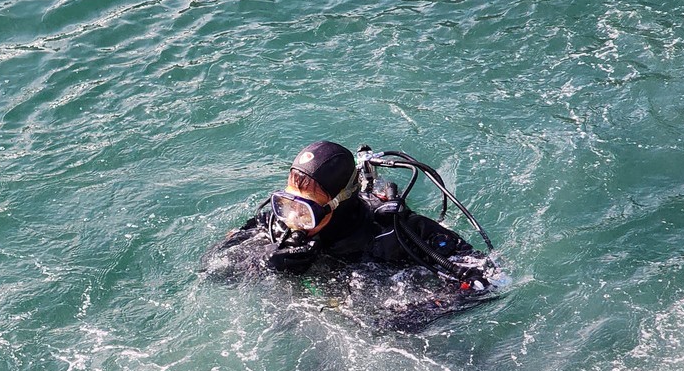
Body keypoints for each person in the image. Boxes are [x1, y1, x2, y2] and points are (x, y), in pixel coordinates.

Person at [201, 140, 504, 330]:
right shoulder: (278, 223)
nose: (293, 220)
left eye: (305, 211)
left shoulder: (394, 233)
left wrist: (404, 318)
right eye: (287, 203)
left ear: (338, 204)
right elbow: (212, 268)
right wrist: (266, 263)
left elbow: (489, 279)